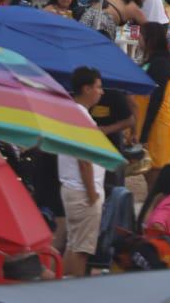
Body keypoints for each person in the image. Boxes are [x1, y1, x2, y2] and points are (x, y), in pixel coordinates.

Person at [59, 66, 106, 277]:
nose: (101, 92)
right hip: (83, 192)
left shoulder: (72, 113)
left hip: (75, 189)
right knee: (81, 250)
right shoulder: (80, 117)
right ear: (87, 89)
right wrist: (92, 193)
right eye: (98, 87)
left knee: (73, 245)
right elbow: (84, 160)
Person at [132, 22, 170, 192]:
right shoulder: (152, 60)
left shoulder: (160, 64)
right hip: (148, 122)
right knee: (148, 173)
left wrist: (144, 133)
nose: (138, 39)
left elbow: (156, 100)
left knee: (155, 175)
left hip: (157, 124)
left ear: (150, 39)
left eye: (141, 35)